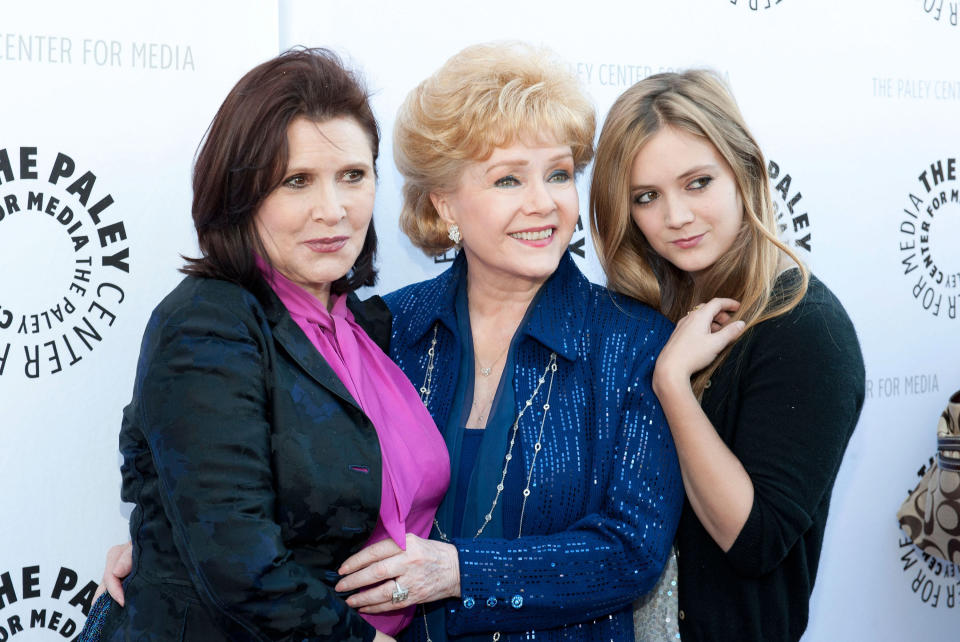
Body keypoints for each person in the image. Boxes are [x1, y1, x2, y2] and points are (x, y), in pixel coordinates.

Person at [80, 49, 449, 642]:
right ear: (241, 194)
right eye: (296, 181)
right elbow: (235, 558)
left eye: (352, 175)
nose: (332, 210)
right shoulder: (206, 323)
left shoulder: (361, 328)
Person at [331, 42, 684, 642]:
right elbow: (296, 483)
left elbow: (632, 551)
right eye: (508, 179)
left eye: (557, 174)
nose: (543, 203)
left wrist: (460, 571)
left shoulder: (631, 342)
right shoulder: (388, 327)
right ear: (445, 203)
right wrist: (167, 539)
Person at [589, 70, 865, 641]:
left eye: (697, 183)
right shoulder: (645, 311)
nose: (676, 217)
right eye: (647, 197)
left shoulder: (806, 329)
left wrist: (672, 382)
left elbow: (754, 539)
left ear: (745, 171)